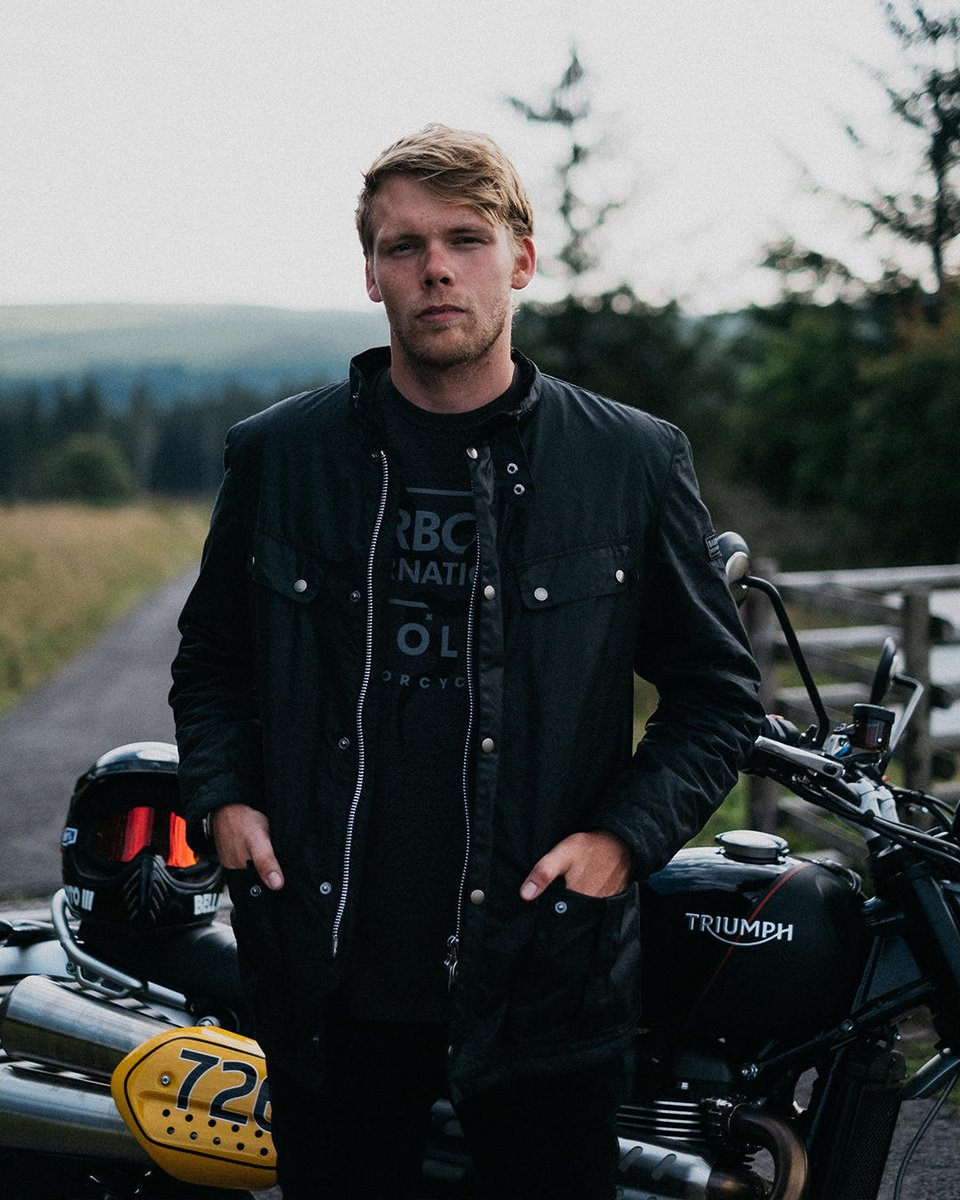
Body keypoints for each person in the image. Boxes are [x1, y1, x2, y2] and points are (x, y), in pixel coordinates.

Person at [170, 124, 763, 1200]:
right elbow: (213, 659)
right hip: (327, 977)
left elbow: (715, 694)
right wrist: (224, 800)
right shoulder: (281, 456)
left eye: (465, 238)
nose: (434, 267)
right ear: (371, 274)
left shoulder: (628, 460)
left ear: (520, 260)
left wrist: (622, 842)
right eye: (403, 247)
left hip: (546, 983)